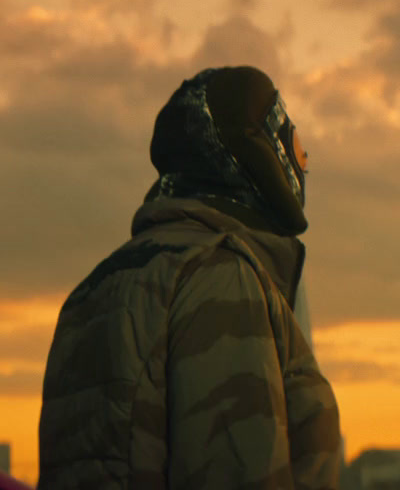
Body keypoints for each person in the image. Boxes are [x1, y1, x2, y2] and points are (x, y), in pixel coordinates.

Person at [37, 66, 341, 489]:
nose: (304, 164)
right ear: (261, 151)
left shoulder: (93, 290)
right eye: (297, 148)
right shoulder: (220, 275)